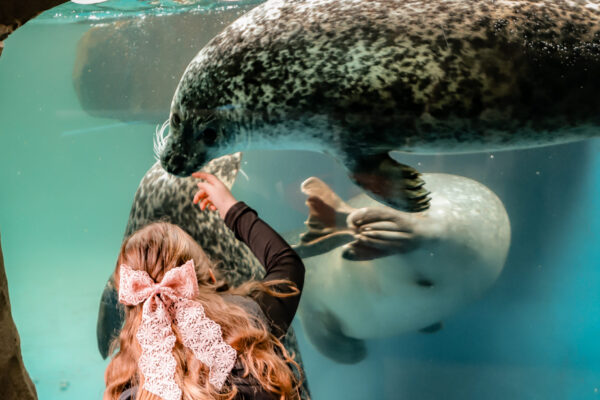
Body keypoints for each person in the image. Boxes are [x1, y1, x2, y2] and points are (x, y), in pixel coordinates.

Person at [103, 172, 305, 400]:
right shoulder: (252, 323)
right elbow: (287, 263)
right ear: (209, 276)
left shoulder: (127, 388)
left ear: (129, 299)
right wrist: (231, 208)